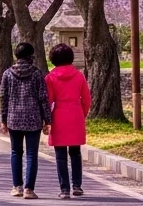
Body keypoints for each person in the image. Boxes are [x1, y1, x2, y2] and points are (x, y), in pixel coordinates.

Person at [0, 42, 52, 199]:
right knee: (31, 154)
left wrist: (3, 119)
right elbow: (43, 98)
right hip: (33, 119)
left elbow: (3, 97)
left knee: (16, 152)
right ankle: (29, 189)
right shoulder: (37, 74)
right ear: (31, 56)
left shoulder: (7, 73)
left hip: (14, 118)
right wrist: (47, 120)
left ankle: (17, 187)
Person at [46, 43, 91, 199]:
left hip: (58, 116)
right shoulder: (79, 75)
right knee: (75, 153)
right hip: (75, 114)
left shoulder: (50, 77)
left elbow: (49, 100)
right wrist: (82, 114)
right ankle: (77, 185)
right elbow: (86, 99)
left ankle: (64, 189)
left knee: (60, 155)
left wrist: (47, 120)